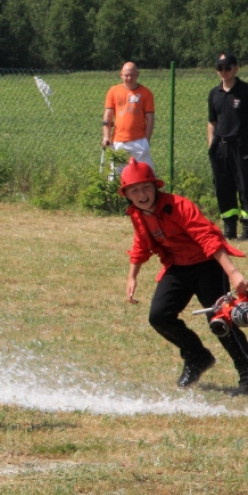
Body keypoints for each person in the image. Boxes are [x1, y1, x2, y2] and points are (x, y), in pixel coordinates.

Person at [120, 158, 248, 395]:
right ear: (127, 194)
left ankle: (247, 375)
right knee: (159, 316)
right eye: (134, 190)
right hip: (177, 268)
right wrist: (132, 276)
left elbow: (209, 238)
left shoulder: (179, 206)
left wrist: (233, 272)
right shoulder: (137, 213)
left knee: (220, 320)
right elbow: (141, 242)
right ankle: (197, 356)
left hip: (207, 265)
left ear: (155, 186)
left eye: (145, 187)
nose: (141, 194)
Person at [207, 52, 248, 240]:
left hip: (241, 147)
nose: (224, 71)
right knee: (224, 188)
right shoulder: (214, 94)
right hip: (220, 148)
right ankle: (229, 228)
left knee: (245, 187)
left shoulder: (245, 91)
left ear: (235, 68)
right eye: (220, 68)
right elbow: (212, 122)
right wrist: (211, 146)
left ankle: (247, 228)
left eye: (227, 67)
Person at [102, 61, 155, 170]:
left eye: (132, 75)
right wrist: (106, 136)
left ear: (138, 74)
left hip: (139, 141)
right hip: (118, 141)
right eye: (126, 75)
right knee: (116, 175)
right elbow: (108, 116)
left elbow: (150, 119)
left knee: (145, 173)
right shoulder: (113, 91)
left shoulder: (146, 93)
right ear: (121, 75)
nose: (129, 78)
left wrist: (146, 140)